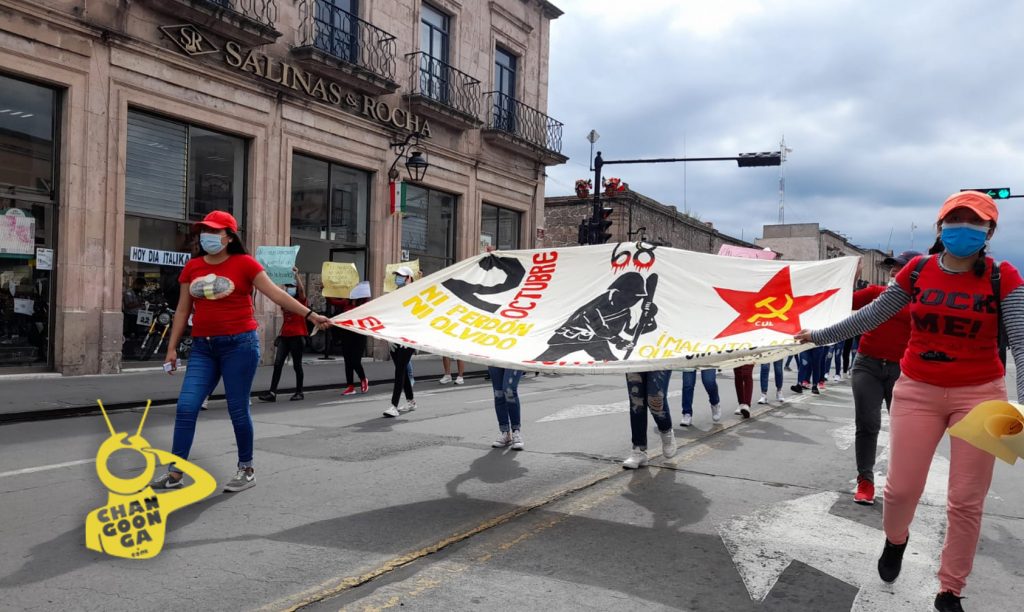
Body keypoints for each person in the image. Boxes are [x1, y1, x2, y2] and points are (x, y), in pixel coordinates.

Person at [795, 191, 1024, 612]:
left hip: (982, 394)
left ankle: (950, 588)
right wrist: (819, 334)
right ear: (940, 227)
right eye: (955, 219)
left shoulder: (1002, 276)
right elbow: (872, 314)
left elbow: (1023, 343)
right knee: (901, 491)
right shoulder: (917, 272)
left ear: (990, 231)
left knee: (967, 500)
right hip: (918, 388)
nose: (963, 228)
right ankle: (896, 540)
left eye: (974, 222)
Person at [152, 211, 331, 493]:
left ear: (229, 236)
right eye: (203, 231)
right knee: (186, 407)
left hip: (239, 345)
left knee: (237, 408)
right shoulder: (193, 266)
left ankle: (246, 469)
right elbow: (183, 310)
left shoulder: (245, 264)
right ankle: (176, 473)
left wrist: (310, 314)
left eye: (213, 231)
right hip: (203, 347)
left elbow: (277, 294)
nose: (206, 236)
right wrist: (171, 348)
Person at [848, 250, 919, 506]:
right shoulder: (876, 294)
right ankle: (865, 481)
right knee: (867, 424)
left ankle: (899, 485)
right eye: (891, 267)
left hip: (903, 371)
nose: (892, 271)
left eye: (899, 267)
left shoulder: (923, 303)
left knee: (904, 431)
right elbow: (843, 301)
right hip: (867, 365)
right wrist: (851, 277)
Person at [258, 268, 308, 402]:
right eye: (287, 287)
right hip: (285, 336)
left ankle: (299, 391)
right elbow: (276, 293)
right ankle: (272, 393)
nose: (288, 289)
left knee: (297, 365)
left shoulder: (301, 301)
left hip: (297, 336)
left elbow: (302, 291)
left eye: (291, 287)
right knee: (278, 363)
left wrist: (296, 275)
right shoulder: (285, 302)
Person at [622, 371, 676, 469]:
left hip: (659, 358)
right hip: (635, 358)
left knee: (655, 399)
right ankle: (639, 449)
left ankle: (666, 432)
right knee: (636, 401)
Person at [383, 266, 418, 418]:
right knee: (401, 369)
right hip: (395, 339)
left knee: (399, 371)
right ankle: (411, 401)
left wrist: (409, 337)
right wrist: (389, 337)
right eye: (397, 275)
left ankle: (393, 405)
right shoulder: (395, 294)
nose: (398, 278)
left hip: (407, 339)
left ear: (409, 278)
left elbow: (417, 317)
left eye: (402, 276)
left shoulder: (416, 295)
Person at [339, 281, 371, 396]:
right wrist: (327, 290)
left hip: (358, 336)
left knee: (355, 361)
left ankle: (363, 379)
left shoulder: (363, 305)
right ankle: (350, 386)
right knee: (348, 362)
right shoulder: (346, 303)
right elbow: (333, 301)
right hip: (346, 336)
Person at [489, 367, 524, 450]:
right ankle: (505, 432)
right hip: (495, 356)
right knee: (498, 393)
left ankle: (516, 431)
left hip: (514, 356)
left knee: (509, 390)